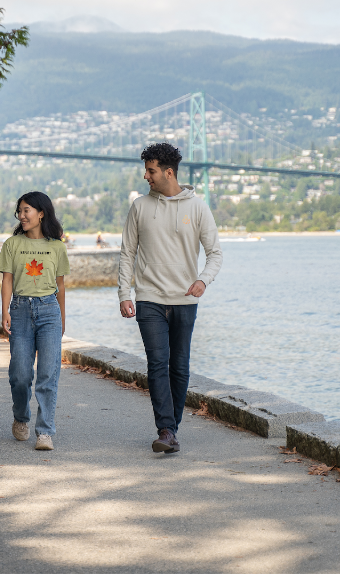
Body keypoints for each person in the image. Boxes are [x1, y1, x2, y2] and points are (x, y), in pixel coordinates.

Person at [118, 143, 221, 454]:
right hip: (149, 298)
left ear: (169, 172)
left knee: (180, 367)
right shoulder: (139, 207)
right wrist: (125, 293)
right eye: (146, 170)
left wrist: (203, 279)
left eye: (151, 171)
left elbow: (215, 254)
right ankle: (165, 428)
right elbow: (127, 254)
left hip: (185, 300)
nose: (146, 176)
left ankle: (170, 430)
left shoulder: (198, 207)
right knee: (158, 363)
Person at [0, 191, 69, 451]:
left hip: (49, 309)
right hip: (20, 309)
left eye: (26, 210)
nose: (22, 215)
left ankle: (45, 432)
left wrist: (62, 317)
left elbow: (60, 285)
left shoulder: (57, 246)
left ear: (41, 213)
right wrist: (4, 310)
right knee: (20, 374)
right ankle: (20, 416)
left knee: (48, 373)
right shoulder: (12, 244)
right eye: (20, 210)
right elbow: (7, 279)